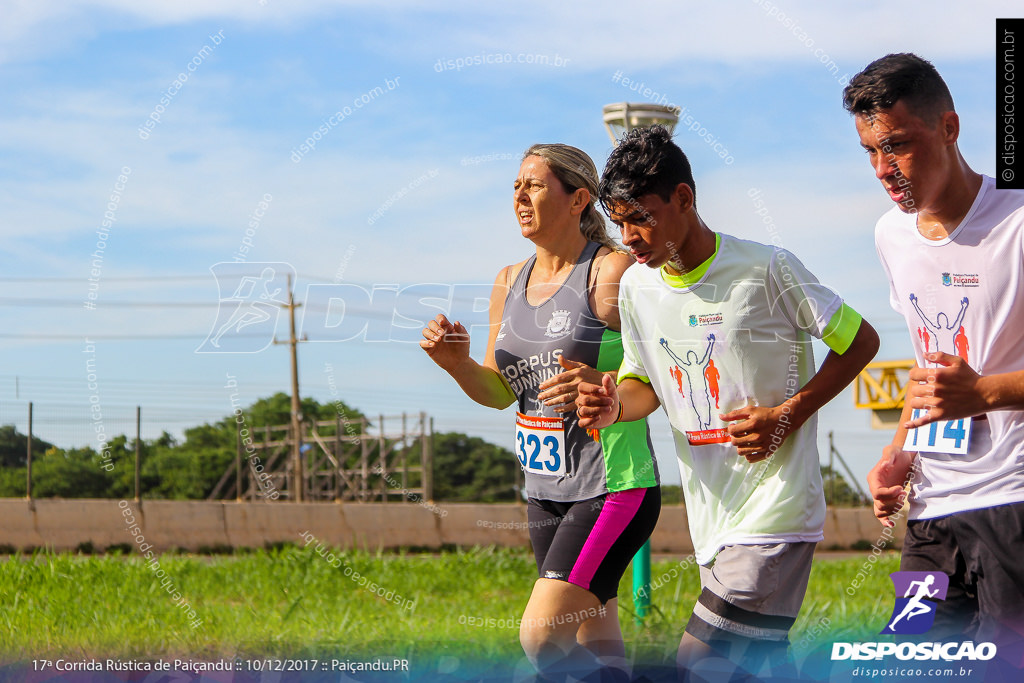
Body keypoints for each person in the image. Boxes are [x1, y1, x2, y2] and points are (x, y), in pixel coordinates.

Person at [575, 125, 878, 678]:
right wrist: (614, 404)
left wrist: (787, 415)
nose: (629, 236)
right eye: (618, 223)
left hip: (775, 513)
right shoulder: (638, 289)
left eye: (639, 217)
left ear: (684, 199)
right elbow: (644, 381)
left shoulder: (767, 269)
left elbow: (860, 341)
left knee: (698, 661)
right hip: (711, 518)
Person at [420, 143, 661, 681]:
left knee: (540, 639)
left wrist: (609, 389)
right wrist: (455, 364)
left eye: (533, 185)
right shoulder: (508, 280)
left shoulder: (611, 271)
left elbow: (658, 370)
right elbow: (499, 391)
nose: (520, 197)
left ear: (578, 199)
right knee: (593, 637)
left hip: (613, 486)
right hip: (545, 490)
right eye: (515, 187)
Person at [846, 53, 1024, 658]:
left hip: (1013, 501)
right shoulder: (889, 236)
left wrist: (986, 394)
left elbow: (970, 384)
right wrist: (899, 451)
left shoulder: (1018, 219)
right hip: (932, 510)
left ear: (949, 128)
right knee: (912, 662)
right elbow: (931, 363)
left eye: (896, 145)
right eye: (870, 151)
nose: (882, 169)